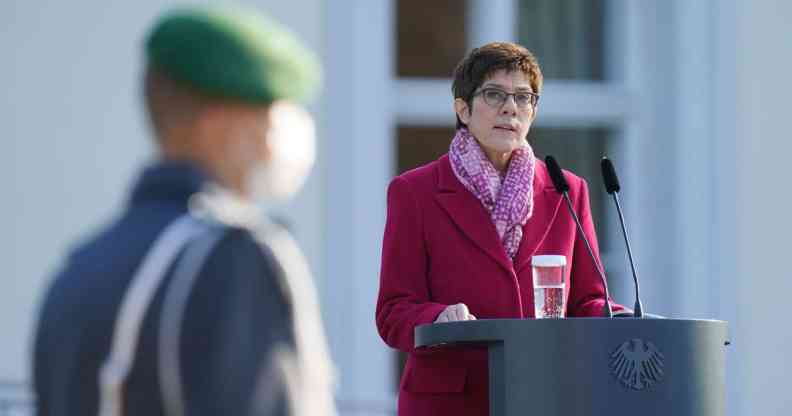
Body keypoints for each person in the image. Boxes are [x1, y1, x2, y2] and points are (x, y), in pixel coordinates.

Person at [33, 5, 335, 416]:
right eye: (274, 115)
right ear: (219, 125)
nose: (289, 134)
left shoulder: (79, 269)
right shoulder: (235, 257)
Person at [375, 42, 628, 416]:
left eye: (524, 97)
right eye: (494, 95)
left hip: (544, 395)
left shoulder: (567, 190)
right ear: (462, 108)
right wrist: (437, 318)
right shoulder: (415, 192)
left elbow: (586, 301)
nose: (511, 108)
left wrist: (620, 319)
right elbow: (393, 313)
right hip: (452, 401)